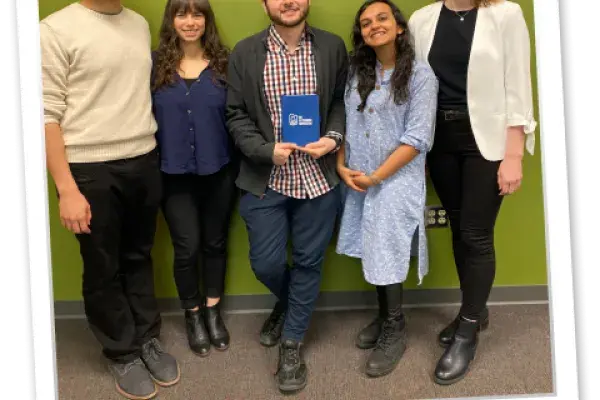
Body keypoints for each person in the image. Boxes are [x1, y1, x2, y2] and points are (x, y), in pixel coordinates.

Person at [40, 1, 179, 399]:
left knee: (139, 255)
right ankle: (121, 351)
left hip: (143, 158)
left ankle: (147, 336)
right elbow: (45, 113)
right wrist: (66, 188)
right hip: (88, 169)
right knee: (103, 264)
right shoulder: (54, 30)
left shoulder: (136, 23)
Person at [408, 0, 537, 385]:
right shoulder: (422, 19)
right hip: (440, 140)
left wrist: (514, 154)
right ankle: (475, 311)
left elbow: (518, 83)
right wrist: (419, 149)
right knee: (460, 230)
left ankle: (466, 331)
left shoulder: (506, 14)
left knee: (477, 235)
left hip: (488, 142)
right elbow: (418, 85)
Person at [225, 0, 348, 393]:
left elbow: (338, 103)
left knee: (310, 261)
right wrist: (265, 150)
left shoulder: (331, 47)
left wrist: (332, 138)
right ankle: (291, 301)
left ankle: (292, 343)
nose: (289, 1)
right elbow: (235, 115)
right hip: (267, 178)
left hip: (318, 178)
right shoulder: (245, 51)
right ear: (265, 4)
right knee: (265, 262)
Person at [336, 0, 438, 378]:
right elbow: (346, 120)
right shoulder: (357, 73)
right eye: (366, 23)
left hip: (396, 180)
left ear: (398, 27)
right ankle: (385, 317)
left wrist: (378, 177)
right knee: (373, 248)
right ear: (361, 34)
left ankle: (395, 328)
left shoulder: (421, 76)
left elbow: (417, 138)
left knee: (387, 249)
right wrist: (341, 164)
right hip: (360, 177)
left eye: (382, 18)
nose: (374, 26)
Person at [151, 0, 236, 357]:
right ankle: (193, 313)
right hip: (173, 173)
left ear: (207, 19)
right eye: (181, 13)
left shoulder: (225, 63)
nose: (190, 21)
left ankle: (214, 310)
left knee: (215, 242)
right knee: (186, 248)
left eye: (197, 13)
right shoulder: (154, 65)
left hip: (219, 170)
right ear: (172, 20)